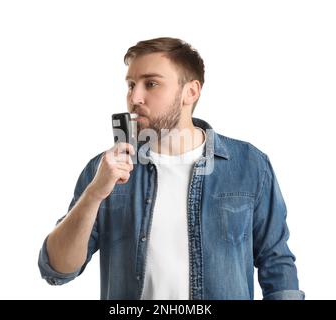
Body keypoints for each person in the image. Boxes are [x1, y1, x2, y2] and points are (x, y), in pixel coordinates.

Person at [38, 37, 304, 300]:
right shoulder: (104, 170)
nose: (135, 97)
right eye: (131, 85)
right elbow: (58, 269)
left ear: (191, 91)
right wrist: (95, 193)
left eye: (150, 84)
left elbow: (276, 262)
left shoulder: (249, 164)